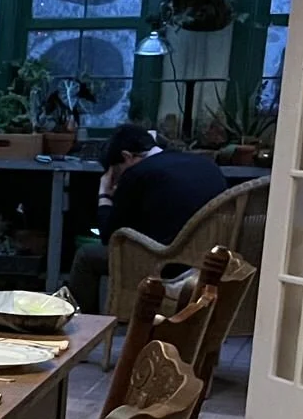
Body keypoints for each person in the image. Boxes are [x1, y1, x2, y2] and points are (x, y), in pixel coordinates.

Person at [67, 123, 228, 312]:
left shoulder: (137, 173)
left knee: (86, 256)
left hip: (165, 261)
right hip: (210, 260)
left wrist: (104, 194)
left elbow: (109, 238)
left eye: (115, 172)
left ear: (126, 157)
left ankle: (83, 326)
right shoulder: (206, 165)